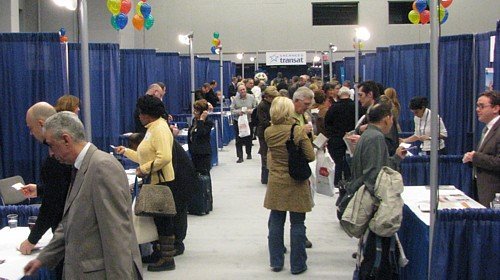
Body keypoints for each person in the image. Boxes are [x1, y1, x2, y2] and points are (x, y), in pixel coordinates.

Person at [24, 111, 142, 279]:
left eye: (51, 145)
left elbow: (117, 237)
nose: (51, 153)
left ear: (66, 139)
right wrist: (43, 258)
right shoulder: (80, 168)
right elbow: (70, 224)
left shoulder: (101, 167)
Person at [115, 95, 177, 271]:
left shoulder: (159, 129)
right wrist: (126, 151)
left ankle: (167, 259)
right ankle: (159, 254)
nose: (139, 116)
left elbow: (164, 157)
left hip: (161, 182)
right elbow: (145, 156)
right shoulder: (152, 128)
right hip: (154, 180)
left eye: (141, 113)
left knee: (164, 221)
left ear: (148, 114)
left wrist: (145, 169)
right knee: (157, 220)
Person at [348, 103, 407, 280]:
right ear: (387, 118)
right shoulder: (375, 138)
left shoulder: (369, 135)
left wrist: (395, 158)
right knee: (376, 251)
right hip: (373, 202)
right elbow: (374, 174)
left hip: (367, 196)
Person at [19, 102, 72, 280]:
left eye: (31, 127)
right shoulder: (67, 149)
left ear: (42, 124)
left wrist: (32, 240)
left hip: (67, 237)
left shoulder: (57, 157)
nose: (30, 133)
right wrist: (41, 189)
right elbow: (64, 186)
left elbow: (52, 206)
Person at [264, 97, 315, 275]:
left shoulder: (268, 131)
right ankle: (298, 264)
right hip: (296, 181)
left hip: (276, 180)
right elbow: (310, 156)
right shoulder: (297, 130)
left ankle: (276, 261)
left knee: (276, 222)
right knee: (298, 223)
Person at [463, 90, 500, 207]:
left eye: (482, 106)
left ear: (495, 108)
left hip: (494, 191)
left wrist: (475, 157)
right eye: (477, 106)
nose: (477, 109)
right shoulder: (487, 129)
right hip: (483, 188)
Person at [325, 86, 355, 187]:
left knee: (338, 161)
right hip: (352, 138)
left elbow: (327, 123)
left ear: (339, 95)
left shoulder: (333, 108)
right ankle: (349, 180)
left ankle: (337, 183)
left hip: (336, 138)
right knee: (350, 160)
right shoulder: (356, 106)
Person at [256, 86, 280, 184]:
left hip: (273, 132)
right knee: (265, 155)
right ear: (268, 96)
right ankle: (265, 178)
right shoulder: (262, 105)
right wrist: (273, 122)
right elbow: (262, 121)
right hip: (263, 132)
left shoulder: (274, 104)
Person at [231, 84, 258, 163]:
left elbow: (256, 107)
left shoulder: (251, 97)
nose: (243, 91)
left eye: (244, 89)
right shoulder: (235, 99)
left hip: (249, 120)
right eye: (241, 90)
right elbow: (232, 110)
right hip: (238, 121)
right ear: (238, 92)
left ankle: (248, 153)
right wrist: (238, 112)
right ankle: (240, 156)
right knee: (238, 139)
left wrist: (251, 111)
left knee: (248, 138)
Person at [188, 99, 214, 175]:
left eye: (196, 111)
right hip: (194, 152)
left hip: (203, 154)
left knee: (204, 177)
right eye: (194, 110)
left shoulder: (208, 122)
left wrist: (201, 120)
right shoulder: (194, 120)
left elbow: (201, 133)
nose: (194, 112)